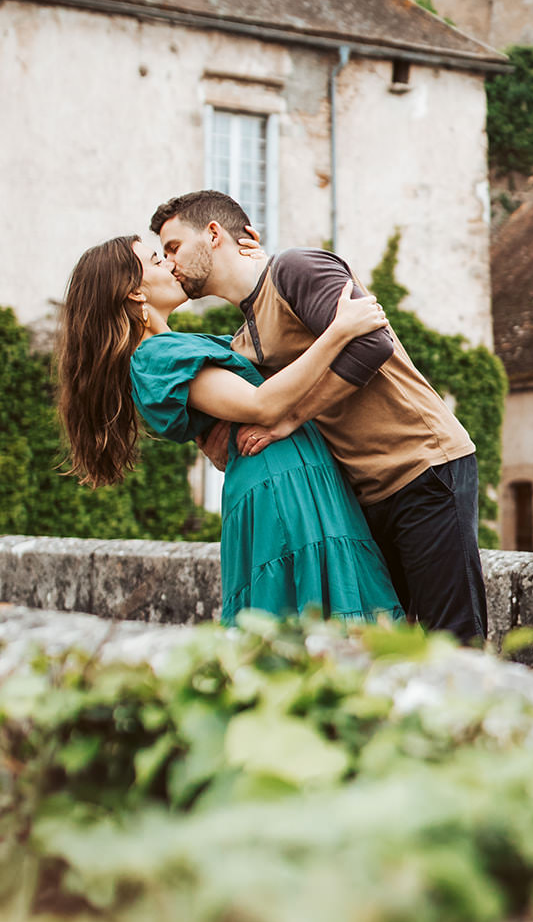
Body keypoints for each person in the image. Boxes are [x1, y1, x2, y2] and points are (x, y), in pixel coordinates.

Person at [150, 191, 488, 643]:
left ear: (214, 235)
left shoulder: (295, 269)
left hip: (422, 466)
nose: (169, 263)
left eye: (172, 247)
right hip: (363, 494)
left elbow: (372, 342)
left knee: (455, 638)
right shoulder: (243, 340)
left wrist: (291, 419)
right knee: (394, 643)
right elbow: (247, 401)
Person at [57, 234, 404, 626]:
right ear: (136, 293)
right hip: (281, 486)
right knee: (310, 623)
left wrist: (256, 267)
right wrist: (339, 331)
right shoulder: (155, 357)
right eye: (157, 261)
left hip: (293, 476)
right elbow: (264, 404)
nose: (170, 265)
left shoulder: (171, 347)